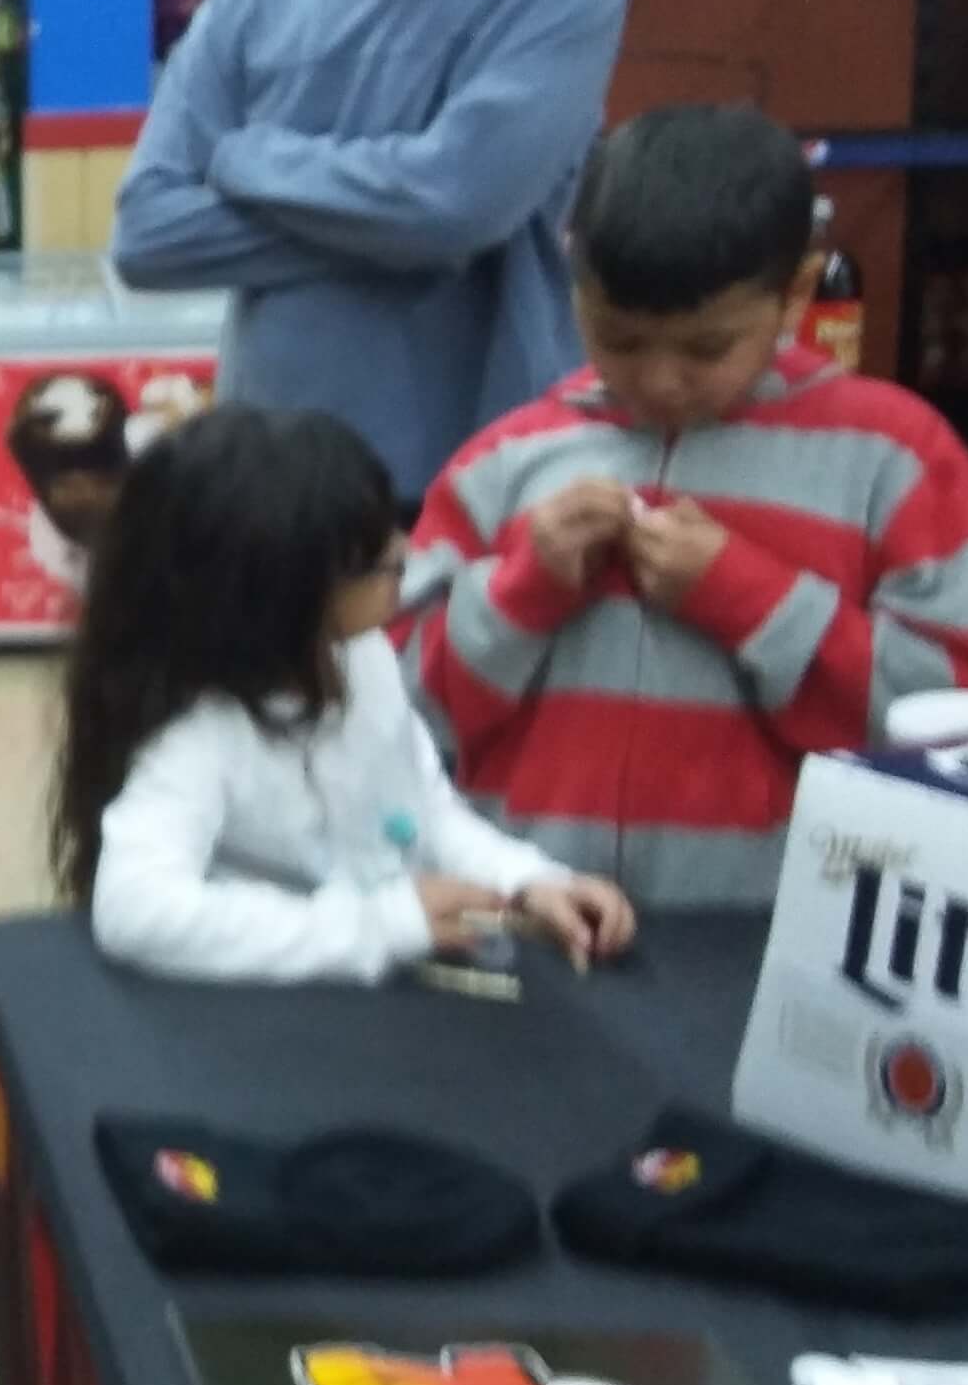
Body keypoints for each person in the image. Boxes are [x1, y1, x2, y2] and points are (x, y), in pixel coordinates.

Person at [398, 104, 968, 908]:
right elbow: (395, 721)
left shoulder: (896, 462)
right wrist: (522, 590)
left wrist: (749, 596)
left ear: (796, 293)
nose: (661, 380)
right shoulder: (502, 463)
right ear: (573, 280)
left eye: (707, 347)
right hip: (536, 917)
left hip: (780, 932)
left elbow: (963, 736)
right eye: (619, 339)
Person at [107, 0, 633, 500]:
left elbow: (458, 203)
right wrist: (412, 234)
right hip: (271, 487)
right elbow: (147, 234)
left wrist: (249, 156)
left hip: (483, 486)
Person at [52, 406, 636, 984]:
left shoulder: (363, 656)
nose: (402, 553)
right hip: (257, 1020)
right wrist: (376, 926)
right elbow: (137, 912)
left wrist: (530, 880)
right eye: (366, 558)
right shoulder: (200, 734)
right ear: (276, 594)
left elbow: (423, 813)